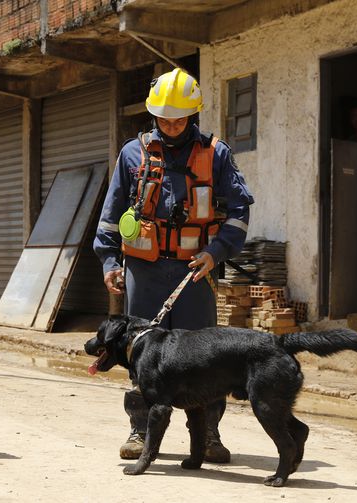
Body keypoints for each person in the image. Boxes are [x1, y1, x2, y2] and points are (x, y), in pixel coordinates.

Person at [93, 68, 254, 463]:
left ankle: (209, 435)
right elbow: (111, 214)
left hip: (194, 273)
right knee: (141, 356)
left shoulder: (216, 153)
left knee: (205, 358)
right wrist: (110, 260)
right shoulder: (133, 153)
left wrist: (215, 252)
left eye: (179, 119)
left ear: (193, 115)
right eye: (163, 118)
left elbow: (238, 212)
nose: (170, 125)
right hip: (143, 271)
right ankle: (140, 428)